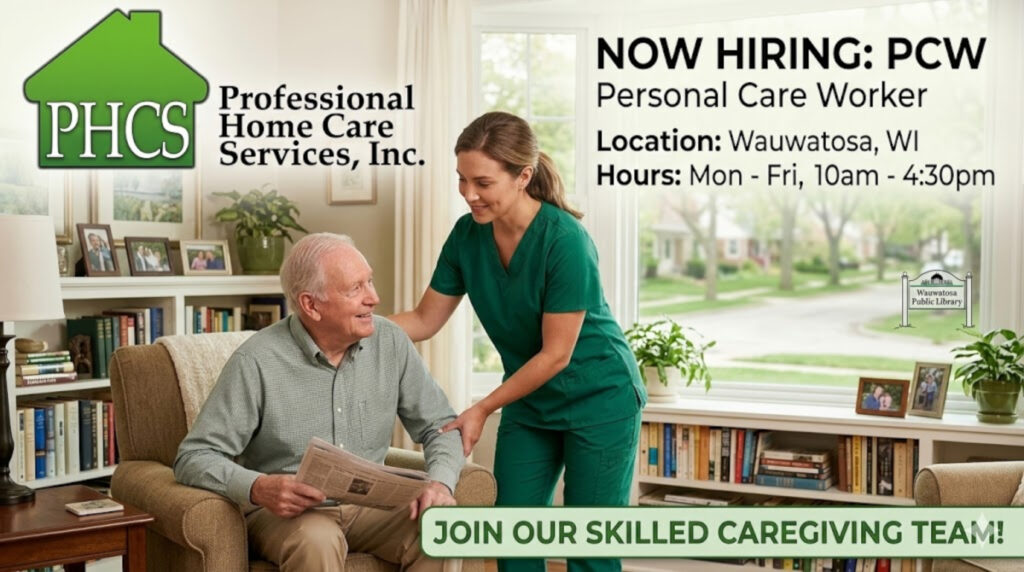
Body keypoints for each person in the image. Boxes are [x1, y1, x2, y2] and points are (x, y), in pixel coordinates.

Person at [390, 111, 646, 572]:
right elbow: (425, 319)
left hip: (600, 398)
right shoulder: (467, 236)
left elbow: (556, 354)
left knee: (590, 548)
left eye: (483, 182)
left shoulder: (565, 241)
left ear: (523, 176)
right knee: (512, 538)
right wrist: (351, 324)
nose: (469, 194)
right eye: (462, 180)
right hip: (532, 404)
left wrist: (482, 407)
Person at [174, 233, 463, 571]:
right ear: (311, 305)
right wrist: (258, 487)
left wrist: (440, 483)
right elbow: (193, 457)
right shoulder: (256, 361)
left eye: (369, 282)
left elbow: (440, 425)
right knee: (317, 540)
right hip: (291, 516)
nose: (374, 298)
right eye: (355, 289)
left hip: (371, 507)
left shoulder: (392, 343)